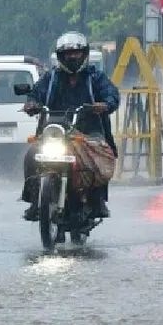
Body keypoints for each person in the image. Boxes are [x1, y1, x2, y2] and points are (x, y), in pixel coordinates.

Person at [20, 31, 119, 220]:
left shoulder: (95, 77)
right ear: (60, 57)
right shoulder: (51, 79)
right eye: (67, 54)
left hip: (89, 131)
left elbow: (111, 94)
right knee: (32, 155)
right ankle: (34, 201)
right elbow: (35, 94)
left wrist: (104, 104)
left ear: (84, 54)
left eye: (76, 53)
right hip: (56, 131)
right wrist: (31, 104)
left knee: (98, 157)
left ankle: (97, 200)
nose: (72, 57)